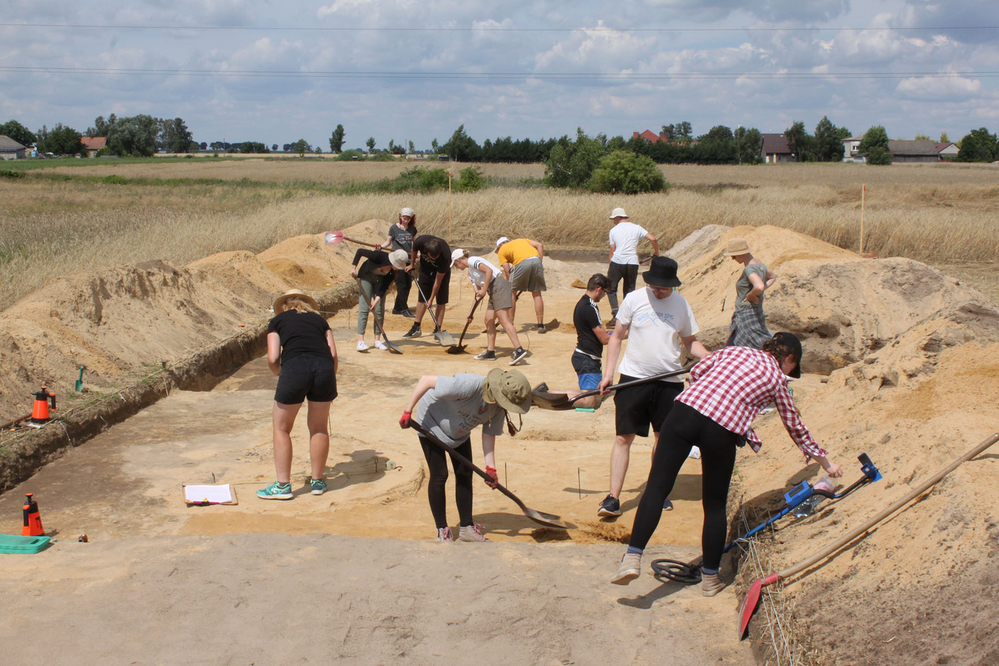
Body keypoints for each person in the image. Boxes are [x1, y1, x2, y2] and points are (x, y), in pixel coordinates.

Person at [611, 333, 844, 596]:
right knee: (713, 506)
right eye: (793, 366)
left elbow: (697, 373)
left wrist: (708, 399)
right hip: (721, 430)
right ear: (789, 357)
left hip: (684, 413)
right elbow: (795, 427)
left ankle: (632, 557)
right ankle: (710, 579)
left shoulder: (733, 351)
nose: (791, 371)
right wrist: (826, 463)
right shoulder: (778, 379)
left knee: (656, 488)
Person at [596, 257, 708, 518]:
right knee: (624, 437)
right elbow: (617, 338)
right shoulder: (634, 299)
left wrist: (711, 357)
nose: (659, 291)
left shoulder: (681, 304)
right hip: (634, 378)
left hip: (670, 382)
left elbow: (690, 342)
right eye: (656, 286)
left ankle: (657, 492)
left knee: (663, 439)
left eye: (664, 287)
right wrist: (609, 373)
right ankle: (613, 497)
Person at [399, 369, 533, 542]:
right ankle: (442, 529)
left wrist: (490, 468)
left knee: (464, 473)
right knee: (440, 475)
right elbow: (426, 381)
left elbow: (489, 434)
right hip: (431, 423)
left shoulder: (499, 408)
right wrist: (408, 411)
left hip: (459, 430)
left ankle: (466, 527)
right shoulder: (468, 385)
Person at [258, 289, 339, 500]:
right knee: (319, 427)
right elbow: (332, 354)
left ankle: (283, 486)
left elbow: (273, 357)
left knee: (281, 428)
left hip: (295, 367)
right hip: (324, 368)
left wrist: (280, 373)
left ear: (285, 306)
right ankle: (318, 481)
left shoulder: (278, 321)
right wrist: (328, 376)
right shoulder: (320, 321)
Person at [451, 249, 528, 365]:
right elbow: (477, 294)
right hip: (492, 291)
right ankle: (490, 352)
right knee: (488, 320)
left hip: (499, 286)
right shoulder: (470, 273)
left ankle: (519, 350)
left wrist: (484, 289)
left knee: (504, 320)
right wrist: (470, 313)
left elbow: (488, 270)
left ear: (458, 260)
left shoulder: (472, 260)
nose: (456, 267)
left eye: (455, 264)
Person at [606, 208, 659, 327]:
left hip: (618, 261)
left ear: (618, 217)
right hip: (633, 263)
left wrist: (611, 267)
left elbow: (612, 251)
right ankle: (626, 318)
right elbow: (653, 238)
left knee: (611, 288)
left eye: (614, 219)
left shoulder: (613, 230)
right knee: (629, 291)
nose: (613, 221)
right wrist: (656, 252)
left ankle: (615, 315)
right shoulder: (637, 228)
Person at [350, 248, 409, 352]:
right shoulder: (379, 256)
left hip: (380, 282)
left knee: (379, 309)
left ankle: (377, 340)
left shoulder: (393, 273)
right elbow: (360, 251)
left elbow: (383, 288)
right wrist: (354, 268)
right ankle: (360, 342)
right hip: (366, 277)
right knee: (364, 308)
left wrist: (376, 301)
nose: (399, 268)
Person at [569, 273, 613, 408]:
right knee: (589, 402)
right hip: (586, 359)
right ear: (599, 289)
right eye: (605, 292)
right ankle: (547, 395)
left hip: (586, 358)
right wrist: (624, 333)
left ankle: (547, 394)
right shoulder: (589, 307)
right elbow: (604, 338)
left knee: (597, 395)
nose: (604, 296)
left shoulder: (584, 304)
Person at [725, 238, 777, 349]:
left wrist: (751, 295)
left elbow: (759, 286)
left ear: (741, 254)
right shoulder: (759, 264)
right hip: (754, 311)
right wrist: (760, 290)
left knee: (754, 345)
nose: (732, 258)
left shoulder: (749, 268)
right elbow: (772, 277)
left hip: (747, 314)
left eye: (734, 256)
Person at [404, 235, 452, 341]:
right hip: (425, 269)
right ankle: (416, 327)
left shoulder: (445, 257)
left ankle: (438, 330)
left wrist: (430, 299)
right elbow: (414, 249)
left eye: (436, 258)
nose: (433, 259)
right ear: (427, 251)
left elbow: (437, 283)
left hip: (441, 274)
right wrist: (412, 264)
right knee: (422, 297)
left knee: (441, 300)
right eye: (431, 257)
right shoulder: (420, 241)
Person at [496, 236, 547, 333]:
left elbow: (507, 272)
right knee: (537, 293)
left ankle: (509, 324)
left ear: (500, 245)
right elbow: (539, 245)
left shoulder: (502, 250)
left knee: (511, 294)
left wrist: (510, 287)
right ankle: (540, 325)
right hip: (536, 261)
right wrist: (539, 263)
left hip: (521, 263)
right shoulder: (522, 240)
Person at [377, 207, 418, 318]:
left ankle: (397, 308)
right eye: (404, 218)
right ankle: (404, 309)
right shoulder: (394, 228)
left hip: (409, 260)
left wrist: (417, 253)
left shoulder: (412, 229)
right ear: (400, 217)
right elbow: (388, 241)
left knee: (408, 285)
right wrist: (381, 246)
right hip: (398, 260)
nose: (406, 221)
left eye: (408, 219)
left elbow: (415, 243)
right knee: (401, 285)